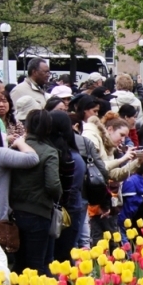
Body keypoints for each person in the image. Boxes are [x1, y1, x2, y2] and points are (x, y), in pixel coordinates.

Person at [10, 110, 62, 274]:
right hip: (39, 212)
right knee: (37, 264)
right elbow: (53, 184)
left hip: (14, 211)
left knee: (18, 263)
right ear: (48, 128)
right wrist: (58, 196)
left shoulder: (15, 147)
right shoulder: (49, 152)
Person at [83, 114, 143, 243]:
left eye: (125, 137)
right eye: (121, 135)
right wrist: (123, 158)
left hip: (103, 199)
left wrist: (138, 162)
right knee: (97, 240)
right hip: (92, 200)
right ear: (110, 129)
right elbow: (98, 168)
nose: (123, 140)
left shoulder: (109, 146)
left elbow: (114, 174)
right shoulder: (92, 136)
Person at [49, 111, 85, 261]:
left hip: (65, 213)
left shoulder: (66, 157)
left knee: (59, 258)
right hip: (70, 210)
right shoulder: (73, 156)